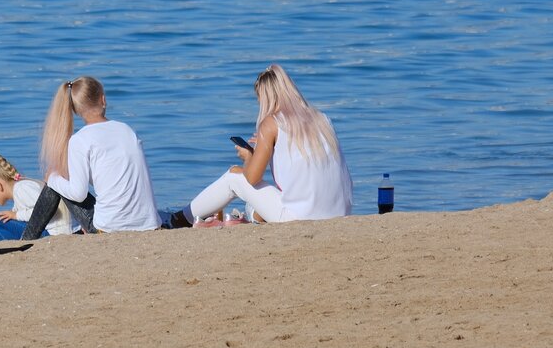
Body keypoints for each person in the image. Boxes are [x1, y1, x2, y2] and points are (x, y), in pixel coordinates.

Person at [169, 64, 352, 227]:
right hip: (339, 214)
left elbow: (252, 179)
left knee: (233, 176)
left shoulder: (272, 122)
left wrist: (249, 157)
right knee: (255, 204)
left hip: (301, 218)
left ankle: (179, 219)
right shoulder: (322, 119)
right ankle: (252, 216)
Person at [20, 76, 161, 239]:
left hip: (110, 229)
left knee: (55, 181)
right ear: (103, 99)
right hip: (149, 225)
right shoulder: (126, 130)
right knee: (59, 180)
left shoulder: (80, 140)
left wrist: (52, 179)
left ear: (75, 109)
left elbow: (78, 194)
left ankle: (28, 238)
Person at [0, 153, 72, 240]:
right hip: (53, 230)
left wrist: (16, 215)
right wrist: (14, 214)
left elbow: (45, 210)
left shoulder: (22, 188)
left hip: (54, 232)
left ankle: (15, 248)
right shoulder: (20, 189)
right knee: (4, 219)